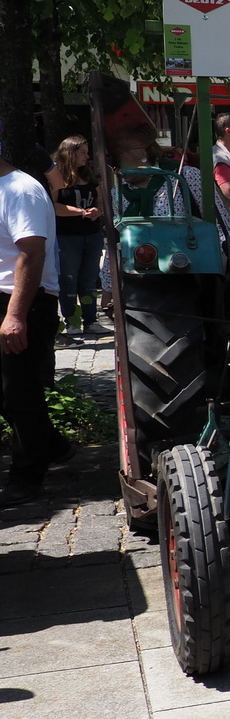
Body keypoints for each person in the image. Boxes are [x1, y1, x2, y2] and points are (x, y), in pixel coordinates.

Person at [0, 141, 73, 506]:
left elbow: (31, 252)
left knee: (19, 391)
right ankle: (53, 445)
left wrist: (15, 315)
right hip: (8, 298)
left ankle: (27, 477)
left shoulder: (21, 189)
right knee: (8, 391)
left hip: (23, 300)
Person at [47, 136, 102, 341]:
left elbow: (100, 198)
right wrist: (80, 212)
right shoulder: (57, 176)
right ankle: (71, 322)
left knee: (89, 280)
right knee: (68, 280)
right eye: (83, 153)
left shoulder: (87, 174)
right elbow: (53, 206)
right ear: (70, 153)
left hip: (92, 234)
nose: (87, 157)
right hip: (67, 237)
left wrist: (98, 210)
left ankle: (91, 321)